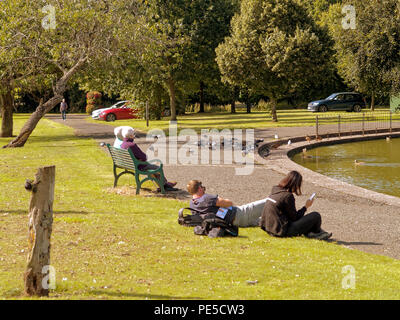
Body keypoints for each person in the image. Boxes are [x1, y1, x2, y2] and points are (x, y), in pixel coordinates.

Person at [260, 171, 332, 240]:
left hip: (269, 227)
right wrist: (306, 207)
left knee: (306, 219)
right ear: (295, 184)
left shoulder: (275, 189)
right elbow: (295, 218)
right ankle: (316, 233)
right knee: (316, 215)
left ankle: (316, 232)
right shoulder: (287, 196)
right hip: (281, 231)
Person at [187, 180, 268, 227]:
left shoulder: (192, 204)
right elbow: (229, 203)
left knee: (265, 221)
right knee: (268, 201)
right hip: (239, 214)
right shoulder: (207, 198)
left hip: (232, 222)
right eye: (201, 186)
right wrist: (219, 198)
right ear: (199, 188)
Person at [120, 127, 177, 191]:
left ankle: (163, 185)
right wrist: (142, 159)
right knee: (157, 168)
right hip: (139, 166)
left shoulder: (123, 144)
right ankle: (164, 185)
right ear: (130, 136)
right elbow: (144, 157)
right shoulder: (132, 145)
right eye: (133, 134)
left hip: (130, 165)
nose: (134, 135)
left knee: (152, 168)